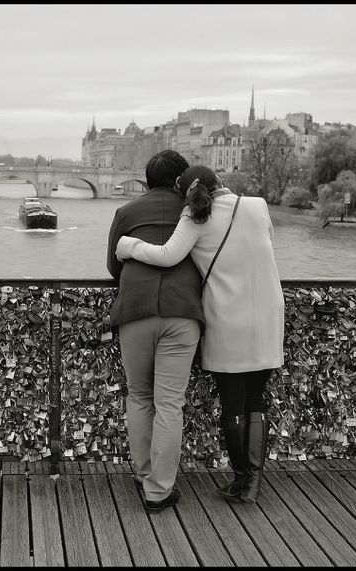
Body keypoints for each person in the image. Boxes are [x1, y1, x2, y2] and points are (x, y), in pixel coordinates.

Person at [116, 164, 284, 504]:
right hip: (269, 312)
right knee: (256, 401)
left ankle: (240, 478)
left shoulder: (195, 215)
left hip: (227, 316)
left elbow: (167, 256)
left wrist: (129, 245)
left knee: (233, 403)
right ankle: (252, 481)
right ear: (221, 180)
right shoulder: (258, 205)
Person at [106, 150, 204, 514]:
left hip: (135, 310)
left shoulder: (126, 212)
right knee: (169, 403)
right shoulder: (197, 210)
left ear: (146, 181)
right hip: (182, 313)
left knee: (139, 396)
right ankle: (158, 491)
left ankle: (144, 472)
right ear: (183, 181)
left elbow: (112, 267)